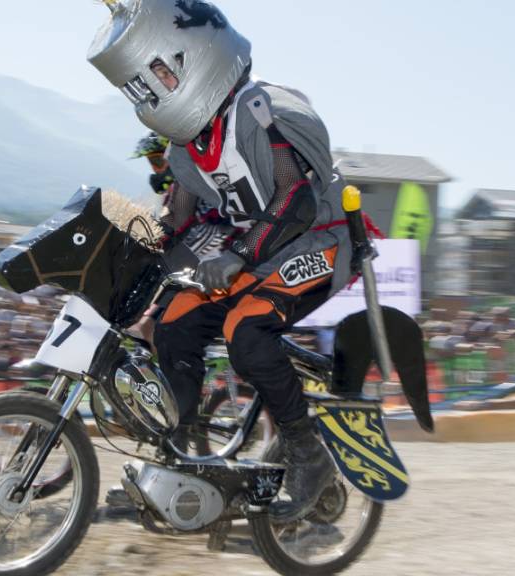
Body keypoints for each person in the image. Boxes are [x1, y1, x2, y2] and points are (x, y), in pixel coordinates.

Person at [88, 0, 356, 522]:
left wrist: (236, 255)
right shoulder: (187, 146)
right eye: (145, 83)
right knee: (173, 324)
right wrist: (116, 255)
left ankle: (309, 455)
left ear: (198, 56)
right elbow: (176, 222)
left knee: (247, 331)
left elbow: (295, 200)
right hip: (256, 253)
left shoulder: (260, 112)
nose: (153, 89)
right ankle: (182, 463)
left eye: (160, 72)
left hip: (318, 242)